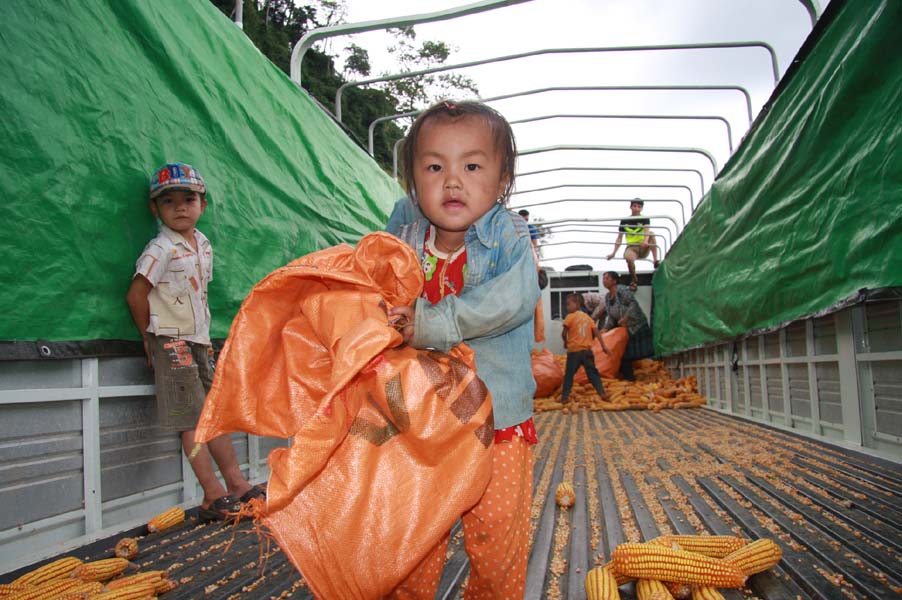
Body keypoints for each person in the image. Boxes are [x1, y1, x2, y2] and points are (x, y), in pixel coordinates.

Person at [385, 100, 540, 599]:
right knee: (410, 543)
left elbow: (512, 301)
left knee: (496, 542)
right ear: (412, 181)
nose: (452, 181)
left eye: (472, 166)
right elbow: (371, 290)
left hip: (496, 426)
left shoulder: (510, 238)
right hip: (417, 426)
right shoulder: (401, 238)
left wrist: (430, 321)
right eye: (434, 166)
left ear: (502, 180)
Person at [125, 162, 263, 521]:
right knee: (191, 420)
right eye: (169, 202)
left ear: (203, 204)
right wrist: (147, 337)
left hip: (199, 342)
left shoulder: (202, 245)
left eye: (189, 199)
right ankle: (212, 494)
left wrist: (205, 342)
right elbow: (136, 295)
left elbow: (200, 295)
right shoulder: (160, 249)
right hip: (171, 342)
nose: (181, 208)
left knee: (213, 416)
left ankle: (237, 484)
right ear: (155, 210)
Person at [600, 271, 654, 381]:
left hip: (634, 325)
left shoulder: (621, 290)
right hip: (622, 328)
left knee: (626, 353)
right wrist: (606, 328)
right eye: (603, 278)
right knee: (622, 352)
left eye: (606, 278)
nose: (604, 280)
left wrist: (626, 317)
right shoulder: (607, 297)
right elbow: (611, 316)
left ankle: (629, 378)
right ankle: (624, 376)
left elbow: (633, 304)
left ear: (614, 281)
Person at [560, 293, 610, 403]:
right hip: (587, 352)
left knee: (569, 374)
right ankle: (602, 393)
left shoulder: (570, 317)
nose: (567, 307)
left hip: (574, 352)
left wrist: (565, 342)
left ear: (577, 304)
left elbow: (564, 333)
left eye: (568, 304)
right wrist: (603, 346)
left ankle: (564, 397)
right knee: (592, 373)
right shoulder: (588, 318)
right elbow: (596, 332)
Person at [605, 198, 660, 289]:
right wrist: (613, 253)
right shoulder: (624, 221)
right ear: (630, 207)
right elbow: (619, 238)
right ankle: (634, 279)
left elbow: (647, 230)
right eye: (634, 206)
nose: (637, 208)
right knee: (629, 258)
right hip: (631, 247)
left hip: (643, 246)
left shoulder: (644, 218)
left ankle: (655, 261)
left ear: (641, 209)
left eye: (639, 207)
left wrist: (645, 241)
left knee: (652, 234)